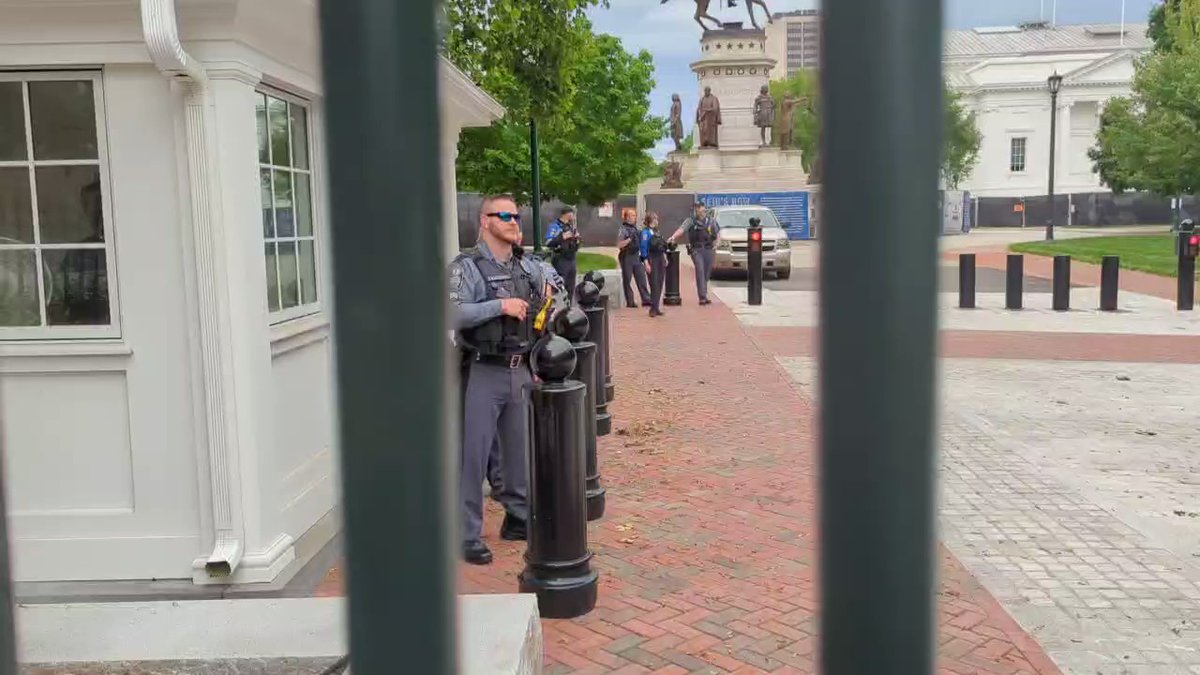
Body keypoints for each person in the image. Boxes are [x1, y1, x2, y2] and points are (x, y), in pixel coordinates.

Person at [449, 193, 554, 565]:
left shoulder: (526, 267)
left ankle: (517, 516)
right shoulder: (467, 267)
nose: (513, 221)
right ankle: (466, 533)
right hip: (481, 369)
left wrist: (551, 300)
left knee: (518, 452)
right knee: (472, 457)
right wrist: (500, 306)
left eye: (517, 216)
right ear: (485, 221)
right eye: (504, 215)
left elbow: (555, 295)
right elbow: (453, 313)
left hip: (521, 368)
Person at [669, 201, 721, 305]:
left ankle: (704, 293)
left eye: (700, 207)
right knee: (700, 270)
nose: (698, 210)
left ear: (704, 208)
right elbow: (682, 229)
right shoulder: (691, 221)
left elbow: (718, 233)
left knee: (706, 273)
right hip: (696, 249)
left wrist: (717, 243)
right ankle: (702, 297)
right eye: (696, 208)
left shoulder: (711, 221)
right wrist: (673, 237)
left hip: (709, 249)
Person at [617, 208, 651, 308]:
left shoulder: (636, 229)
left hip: (636, 255)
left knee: (641, 277)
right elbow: (619, 244)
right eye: (631, 216)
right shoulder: (623, 229)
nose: (634, 218)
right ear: (626, 217)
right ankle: (630, 301)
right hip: (626, 256)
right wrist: (629, 239)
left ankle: (646, 299)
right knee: (627, 279)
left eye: (635, 216)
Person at [545, 206, 580, 298]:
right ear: (567, 214)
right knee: (561, 285)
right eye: (573, 214)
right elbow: (548, 242)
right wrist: (562, 237)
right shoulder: (555, 226)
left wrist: (576, 240)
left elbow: (574, 244)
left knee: (571, 286)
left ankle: (569, 307)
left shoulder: (570, 226)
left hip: (571, 258)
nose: (574, 217)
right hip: (560, 259)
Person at [641, 212, 669, 317]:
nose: (657, 221)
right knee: (654, 283)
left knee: (660, 283)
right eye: (654, 219)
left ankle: (656, 307)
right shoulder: (645, 233)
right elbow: (643, 248)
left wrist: (665, 257)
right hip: (651, 258)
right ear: (650, 220)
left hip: (660, 258)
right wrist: (646, 262)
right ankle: (653, 308)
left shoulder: (657, 232)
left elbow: (662, 246)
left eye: (657, 219)